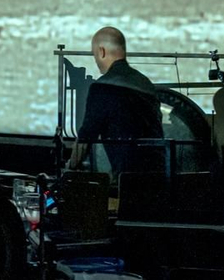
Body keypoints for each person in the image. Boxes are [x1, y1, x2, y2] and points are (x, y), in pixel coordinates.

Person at [69, 26, 163, 176]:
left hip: (126, 181)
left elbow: (86, 138)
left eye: (95, 55)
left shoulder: (102, 87)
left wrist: (69, 169)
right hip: (159, 176)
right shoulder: (146, 84)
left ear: (102, 51)